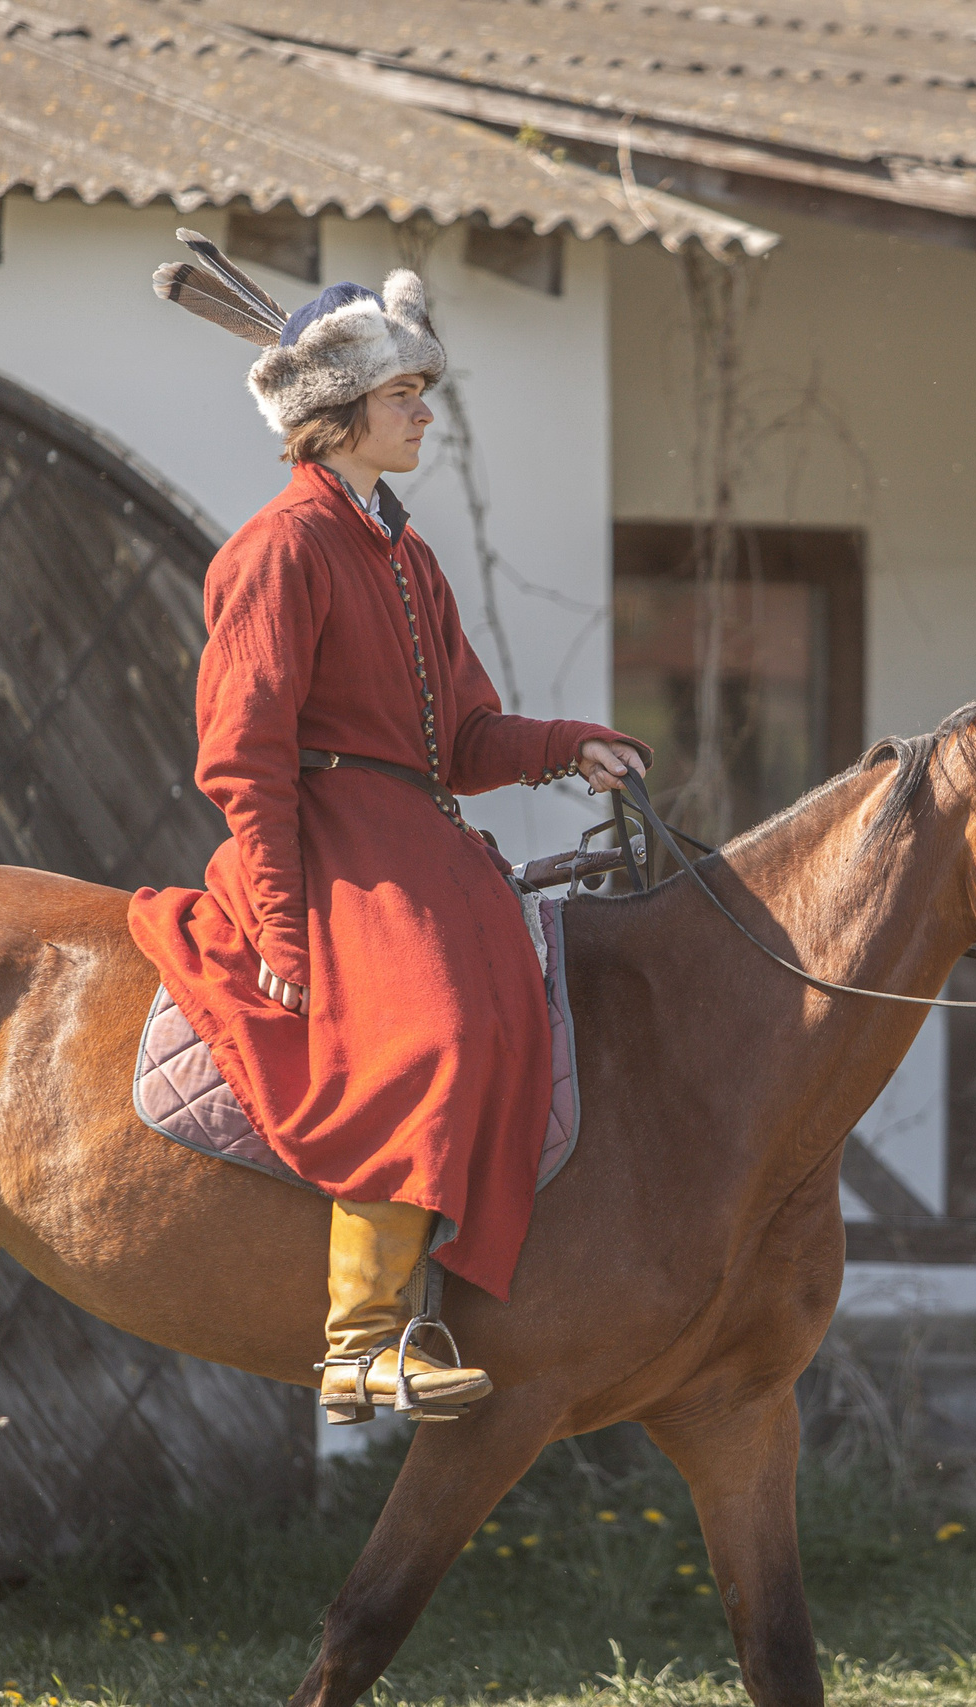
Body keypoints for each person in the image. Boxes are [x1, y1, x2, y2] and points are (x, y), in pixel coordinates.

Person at [130, 257, 647, 1423]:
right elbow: (242, 759)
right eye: (404, 392)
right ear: (340, 410)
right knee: (437, 1028)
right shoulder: (278, 550)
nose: (423, 411)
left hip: (416, 836)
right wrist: (277, 921)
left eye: (422, 389)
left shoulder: (405, 555)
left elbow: (461, 738)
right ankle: (362, 1343)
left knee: (521, 996)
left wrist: (568, 744)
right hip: (330, 848)